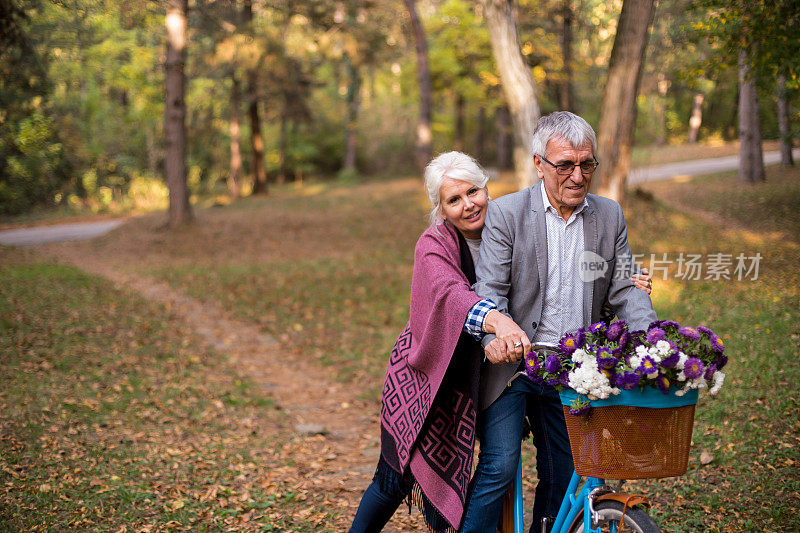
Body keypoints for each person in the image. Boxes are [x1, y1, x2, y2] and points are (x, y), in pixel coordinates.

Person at [350, 150, 652, 532]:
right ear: (441, 210)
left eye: (473, 191)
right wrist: (497, 322)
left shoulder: (512, 222)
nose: (468, 205)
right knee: (396, 476)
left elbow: (563, 273)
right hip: (432, 372)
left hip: (510, 362)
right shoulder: (434, 246)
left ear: (487, 189)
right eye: (453, 200)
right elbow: (451, 294)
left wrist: (623, 282)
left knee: (549, 462)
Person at [459, 111, 657, 533]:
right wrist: (495, 333)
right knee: (500, 465)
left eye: (587, 164)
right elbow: (489, 289)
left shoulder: (608, 215)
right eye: (565, 165)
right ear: (538, 163)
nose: (578, 175)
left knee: (566, 473)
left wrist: (651, 344)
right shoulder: (508, 213)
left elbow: (625, 290)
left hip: (573, 368)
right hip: (512, 367)